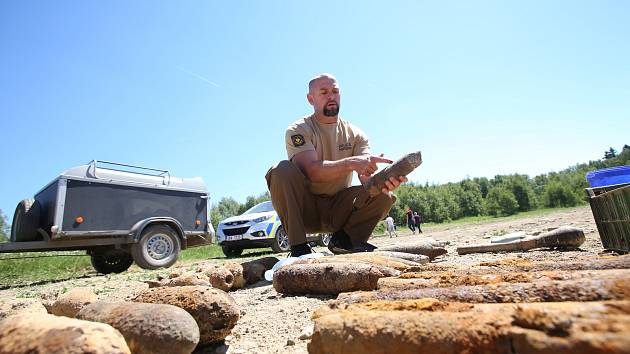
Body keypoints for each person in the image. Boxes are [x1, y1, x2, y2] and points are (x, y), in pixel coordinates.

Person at [265, 73, 408, 256]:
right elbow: (312, 171)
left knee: (384, 195)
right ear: (311, 99)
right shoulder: (298, 129)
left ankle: (345, 241)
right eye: (324, 92)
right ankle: (298, 247)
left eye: (335, 91)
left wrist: (382, 182)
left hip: (338, 210)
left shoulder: (356, 134)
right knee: (281, 170)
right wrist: (351, 163)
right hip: (304, 210)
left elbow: (365, 177)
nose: (331, 96)